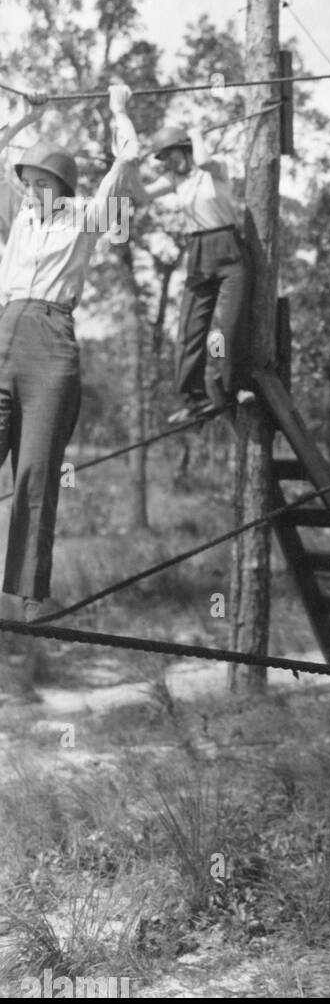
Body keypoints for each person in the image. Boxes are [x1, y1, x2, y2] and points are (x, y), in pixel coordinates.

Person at [0, 85, 141, 699]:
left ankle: (28, 595)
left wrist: (117, 108)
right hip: (2, 330)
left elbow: (128, 157)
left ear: (62, 184)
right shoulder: (18, 217)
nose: (32, 188)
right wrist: (27, 118)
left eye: (41, 180)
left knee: (34, 474)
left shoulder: (85, 216)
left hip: (52, 343)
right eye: (26, 179)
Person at [130, 121, 254, 422]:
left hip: (229, 249)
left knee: (231, 326)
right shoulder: (175, 179)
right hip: (198, 253)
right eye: (162, 159)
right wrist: (130, 165)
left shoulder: (215, 171)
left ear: (184, 149)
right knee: (190, 329)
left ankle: (236, 387)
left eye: (170, 154)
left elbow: (204, 160)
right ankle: (193, 400)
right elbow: (142, 196)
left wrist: (196, 133)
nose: (167, 163)